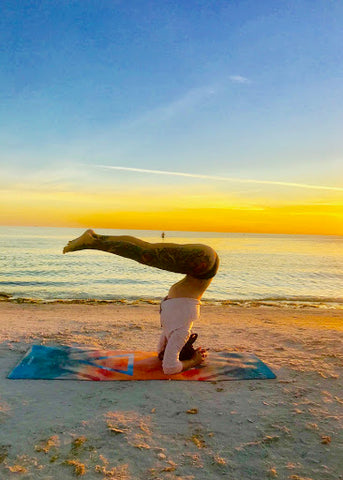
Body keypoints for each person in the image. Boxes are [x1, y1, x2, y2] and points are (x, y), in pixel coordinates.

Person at [63, 229, 219, 375]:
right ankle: (92, 240)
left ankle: (94, 239)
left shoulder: (171, 332)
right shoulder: (181, 333)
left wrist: (177, 355)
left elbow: (161, 354)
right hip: (203, 265)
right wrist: (193, 361)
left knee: (147, 252)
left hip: (203, 266)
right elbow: (169, 368)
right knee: (147, 253)